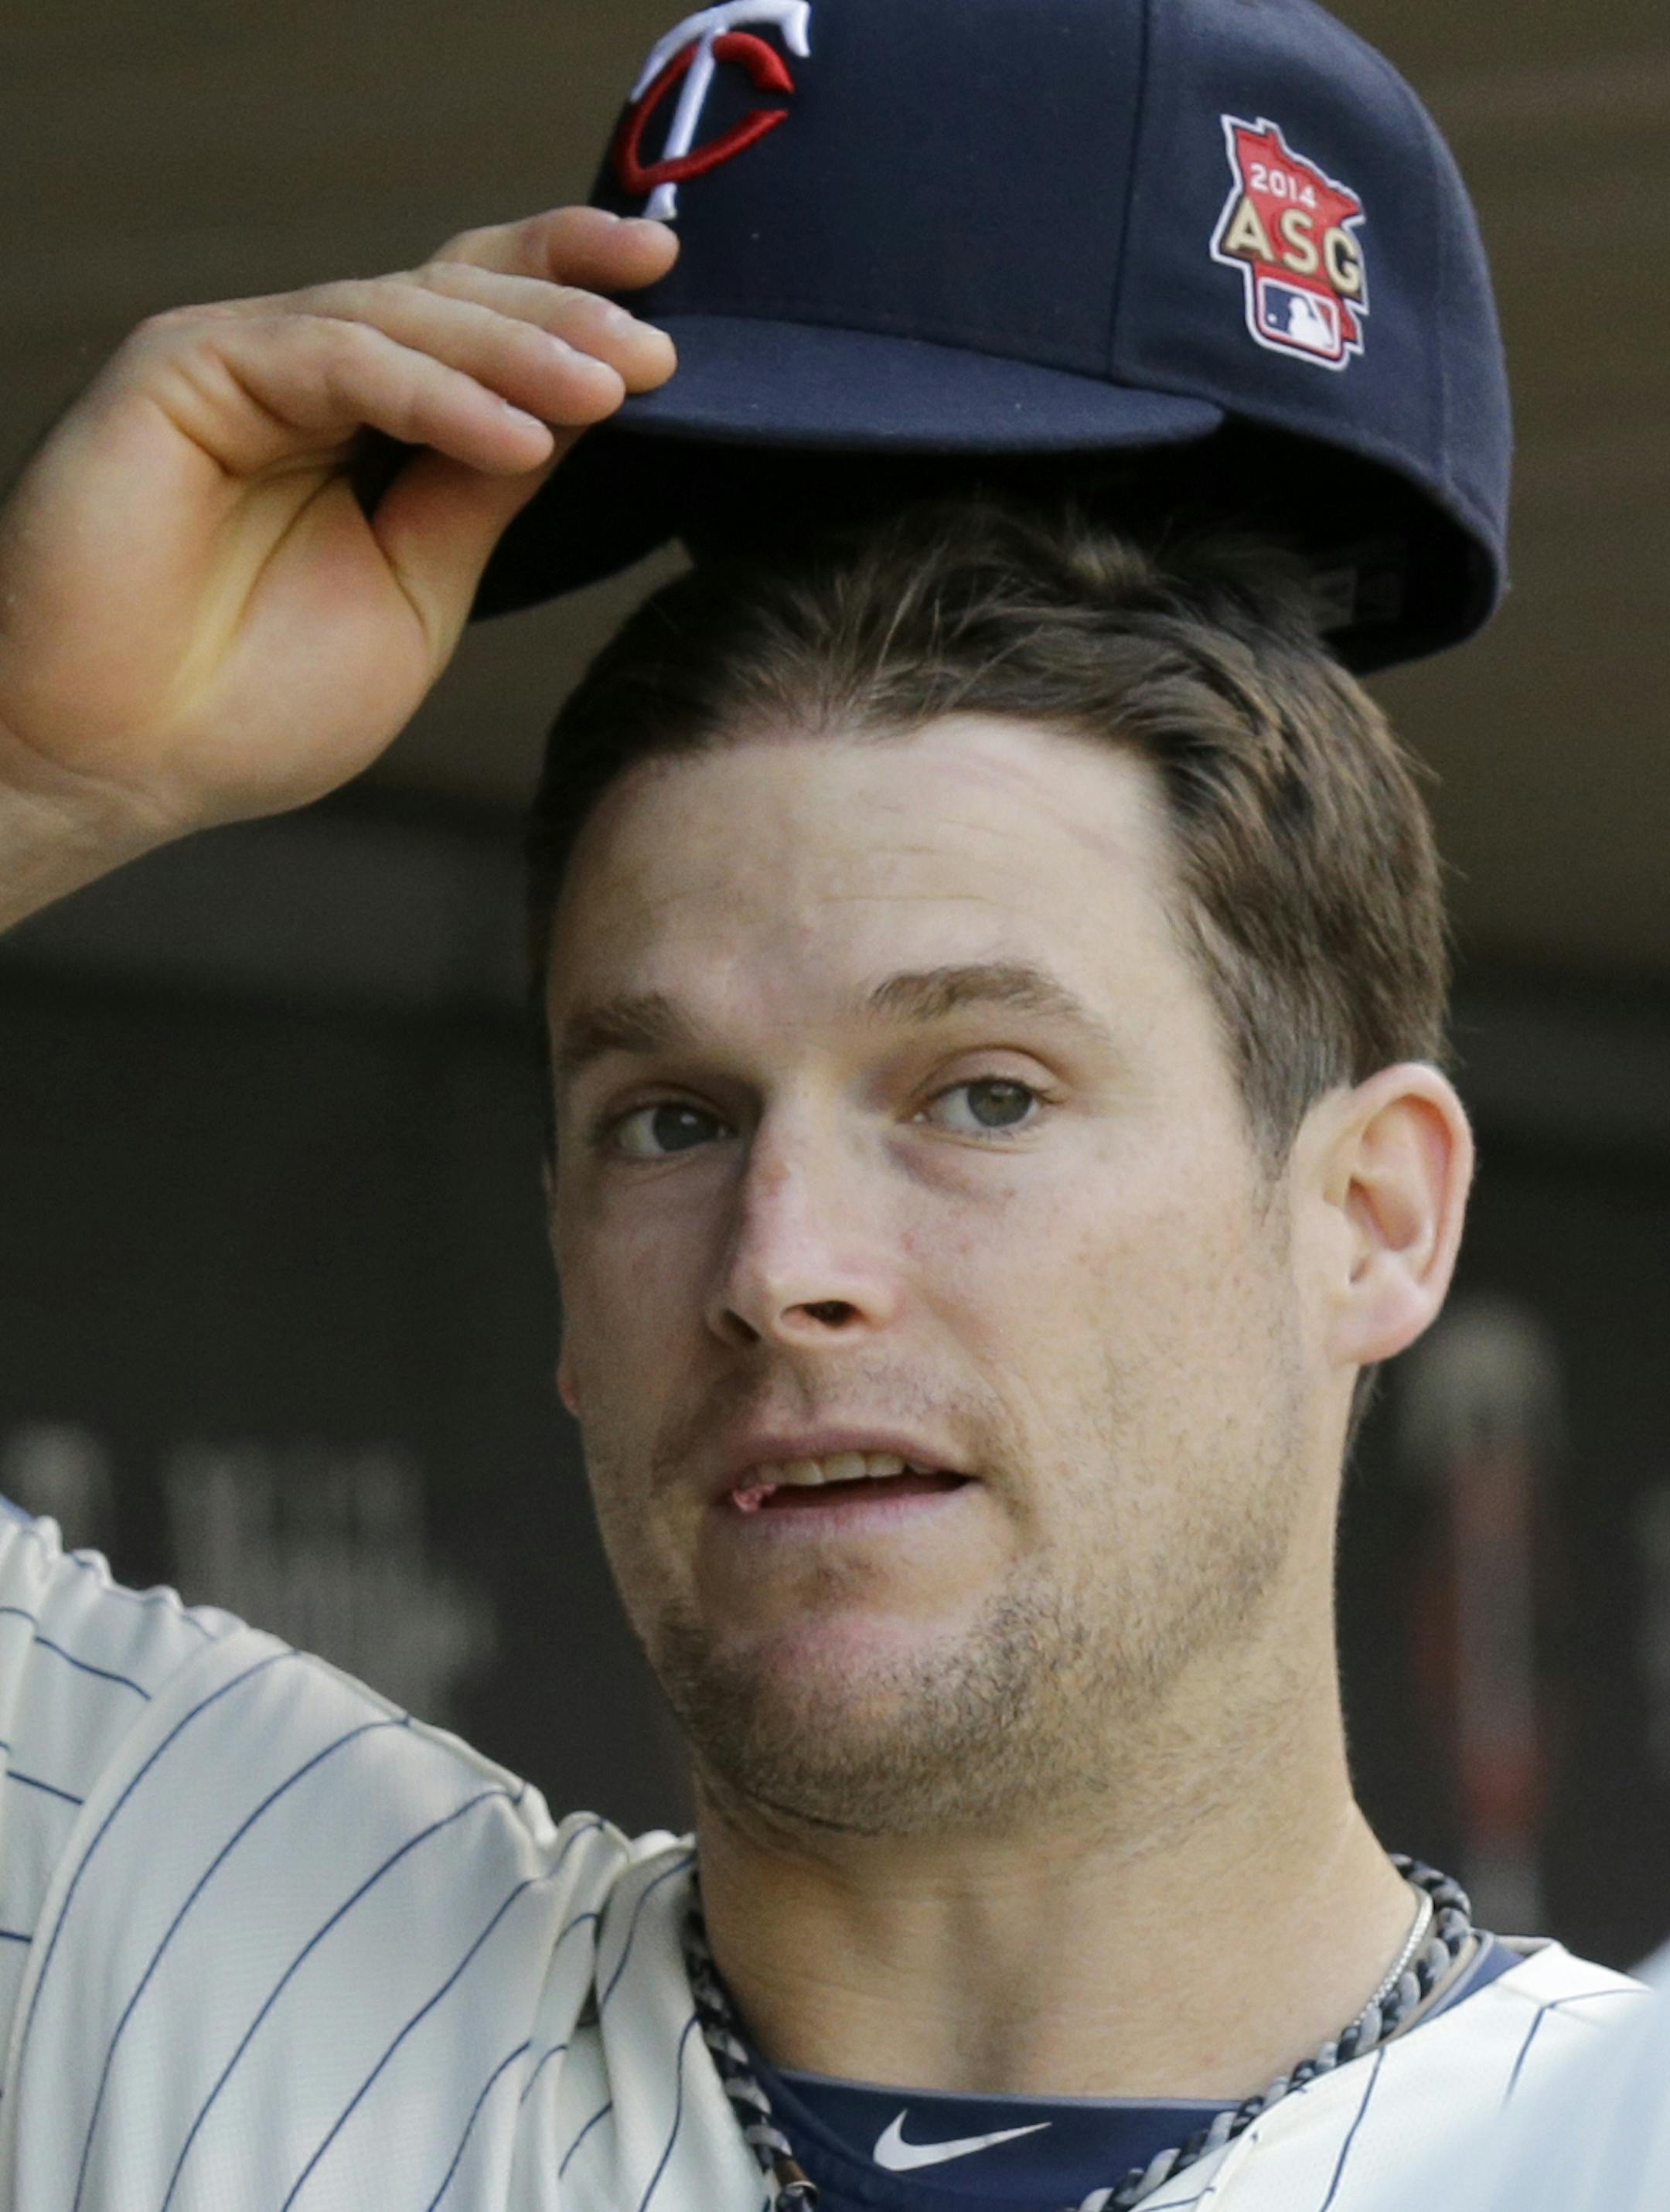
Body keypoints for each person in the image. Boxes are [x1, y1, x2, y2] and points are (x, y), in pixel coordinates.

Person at [0, 182, 1651, 2212]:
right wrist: (36, 766)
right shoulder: (190, 1963)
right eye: (672, 1121)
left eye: (983, 1094)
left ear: (1372, 1219)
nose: (782, 1267)